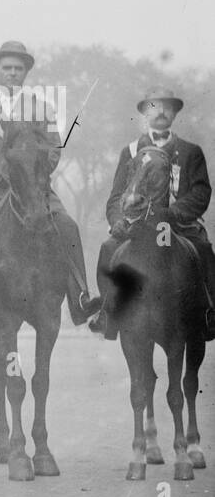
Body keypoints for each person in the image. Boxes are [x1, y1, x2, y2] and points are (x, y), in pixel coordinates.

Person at [0, 40, 101, 325]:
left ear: (25, 73)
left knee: (67, 225)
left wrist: (35, 174)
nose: (12, 73)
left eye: (18, 69)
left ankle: (80, 296)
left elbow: (53, 149)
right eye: (6, 68)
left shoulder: (40, 107)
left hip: (32, 188)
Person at [90, 87, 215, 341]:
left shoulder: (191, 151)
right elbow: (116, 196)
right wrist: (117, 222)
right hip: (137, 226)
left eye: (167, 107)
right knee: (108, 248)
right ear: (145, 113)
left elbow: (201, 192)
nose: (161, 112)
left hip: (177, 225)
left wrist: (174, 213)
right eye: (154, 107)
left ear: (174, 114)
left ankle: (209, 313)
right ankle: (108, 313)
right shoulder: (132, 151)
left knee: (202, 249)